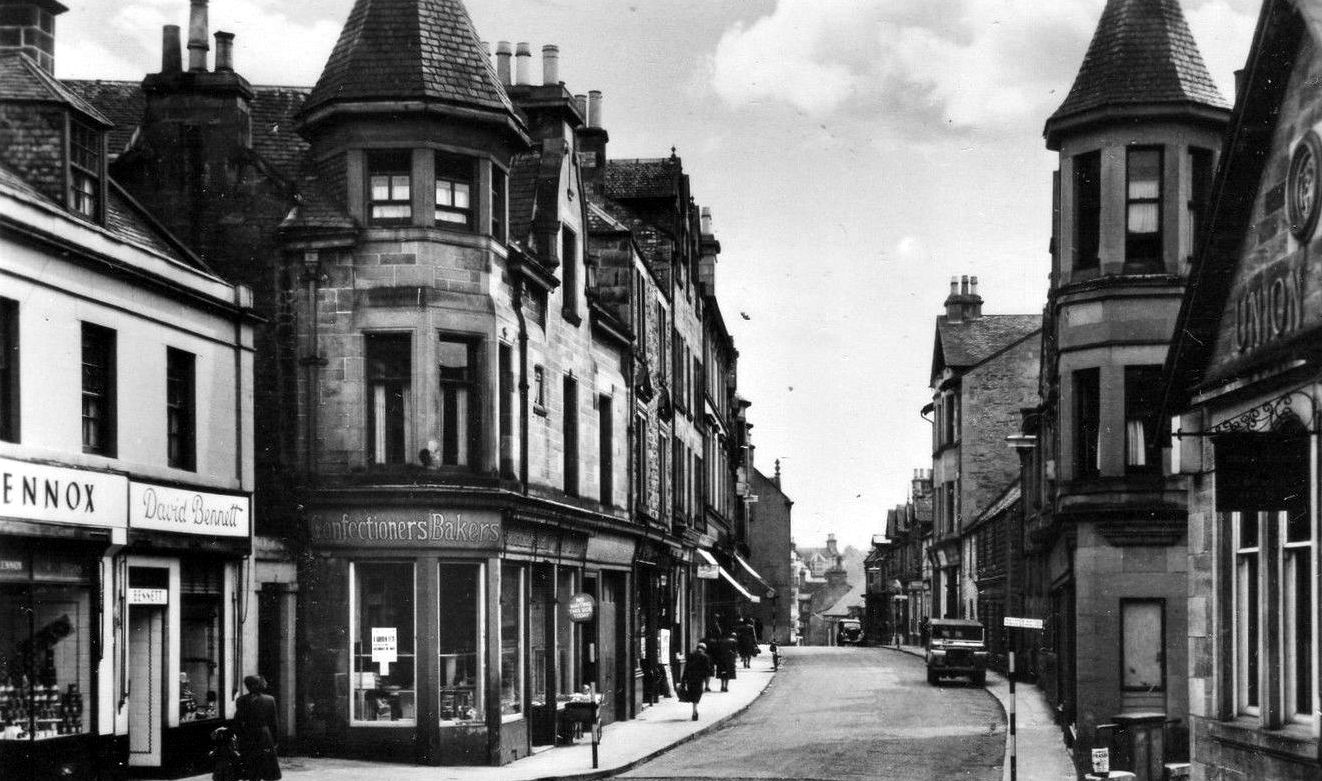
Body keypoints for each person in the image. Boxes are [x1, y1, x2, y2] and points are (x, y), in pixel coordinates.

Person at [233, 675, 281, 781]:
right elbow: (238, 720)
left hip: (255, 736)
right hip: (258, 736)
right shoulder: (242, 700)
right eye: (250, 685)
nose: (252, 687)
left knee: (261, 765)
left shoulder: (243, 700)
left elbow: (273, 722)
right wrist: (275, 739)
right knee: (256, 765)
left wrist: (275, 739)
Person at [682, 642, 714, 721]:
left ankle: (694, 710)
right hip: (699, 679)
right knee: (697, 694)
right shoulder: (705, 657)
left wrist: (683, 680)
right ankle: (694, 711)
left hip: (690, 678)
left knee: (693, 694)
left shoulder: (690, 655)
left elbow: (686, 668)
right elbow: (707, 669)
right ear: (704, 649)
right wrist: (707, 680)